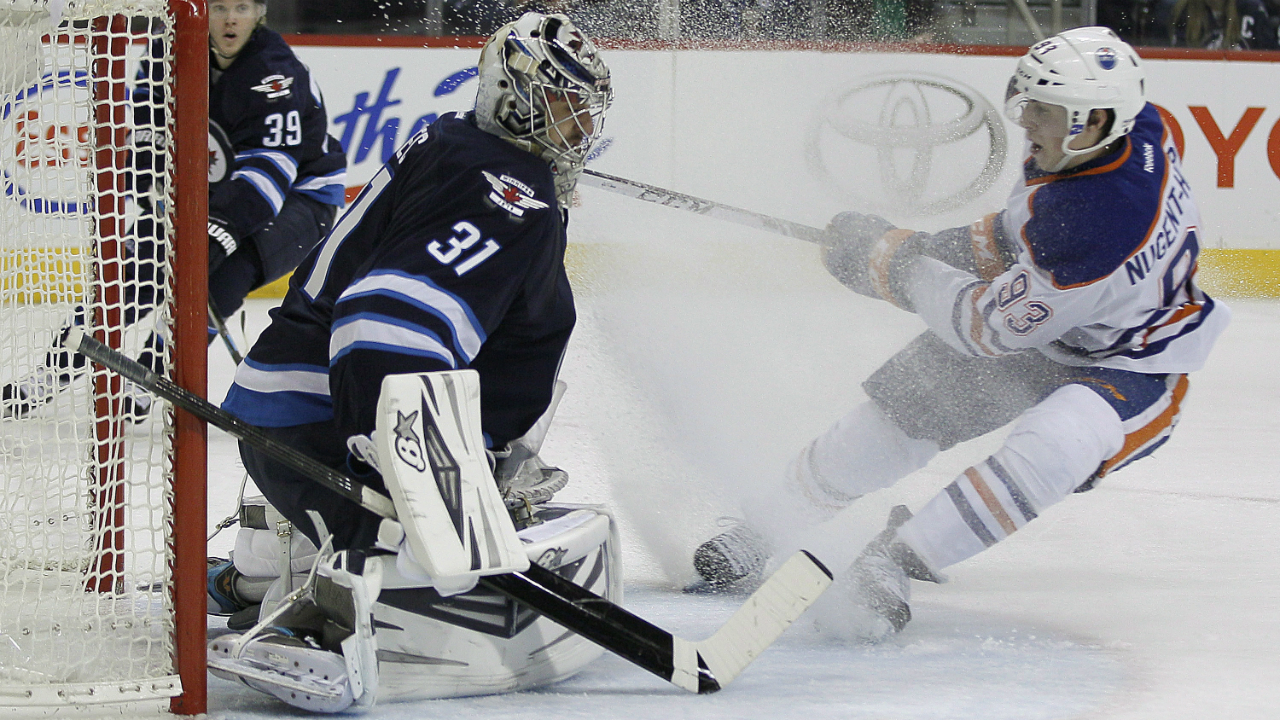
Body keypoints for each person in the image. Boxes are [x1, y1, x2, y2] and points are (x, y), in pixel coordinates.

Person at [691, 27, 1230, 641]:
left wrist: (888, 266)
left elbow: (983, 330)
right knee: (900, 414)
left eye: (1043, 111)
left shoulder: (1098, 217)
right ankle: (768, 525)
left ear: (1091, 119)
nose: (1027, 120)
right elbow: (1016, 234)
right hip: (1062, 316)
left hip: (1132, 359)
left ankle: (892, 561)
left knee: (1054, 446)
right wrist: (917, 247)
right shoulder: (1121, 133)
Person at [207, 13, 613, 712]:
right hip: (330, 428)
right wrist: (407, 460)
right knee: (524, 351)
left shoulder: (460, 144)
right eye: (566, 112)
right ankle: (330, 603)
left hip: (281, 421)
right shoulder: (510, 186)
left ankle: (253, 574)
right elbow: (383, 317)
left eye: (585, 118)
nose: (581, 133)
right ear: (517, 97)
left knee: (529, 335)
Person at [0, 0, 347, 420]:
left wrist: (219, 230)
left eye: (241, 7)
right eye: (218, 7)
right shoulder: (169, 51)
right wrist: (148, 185)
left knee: (223, 276)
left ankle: (153, 372)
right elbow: (148, 128)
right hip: (210, 193)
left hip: (300, 199)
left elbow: (270, 170)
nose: (230, 19)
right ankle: (49, 372)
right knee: (132, 275)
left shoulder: (275, 73)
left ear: (260, 12)